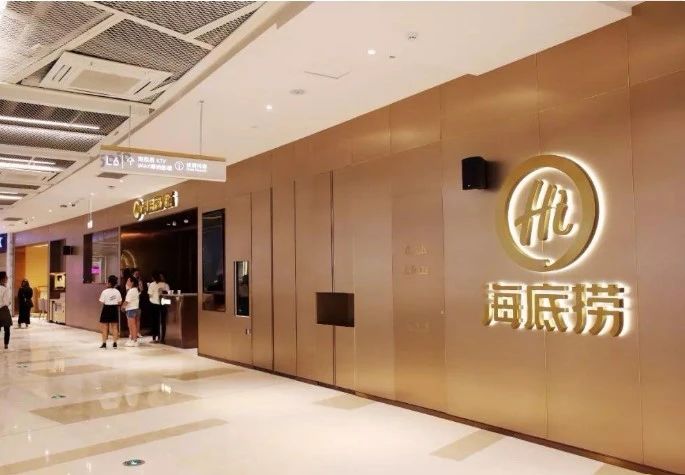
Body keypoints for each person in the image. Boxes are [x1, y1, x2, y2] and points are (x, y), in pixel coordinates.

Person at [99, 275, 122, 349]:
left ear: (109, 283)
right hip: (114, 309)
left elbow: (102, 302)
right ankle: (115, 343)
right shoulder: (117, 292)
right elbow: (120, 302)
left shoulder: (104, 291)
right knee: (114, 327)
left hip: (106, 309)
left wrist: (108, 301)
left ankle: (104, 343)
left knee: (105, 327)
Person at [148, 271, 170, 343]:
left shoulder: (152, 284)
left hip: (154, 304)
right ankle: (162, 338)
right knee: (163, 321)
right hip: (163, 304)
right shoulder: (165, 285)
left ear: (153, 277)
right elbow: (168, 294)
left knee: (154, 321)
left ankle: (154, 338)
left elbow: (150, 295)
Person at [123, 276, 140, 347]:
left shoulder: (131, 291)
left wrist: (122, 307)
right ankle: (132, 339)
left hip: (131, 309)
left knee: (132, 325)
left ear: (132, 282)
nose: (127, 282)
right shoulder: (135, 290)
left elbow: (127, 301)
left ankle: (134, 340)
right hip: (134, 308)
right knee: (132, 325)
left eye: (128, 281)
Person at [0, 272, 12, 349]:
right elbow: (7, 301)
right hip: (3, 310)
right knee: (7, 328)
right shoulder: (5, 289)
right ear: (2, 279)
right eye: (6, 277)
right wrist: (9, 302)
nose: (7, 278)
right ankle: (6, 344)